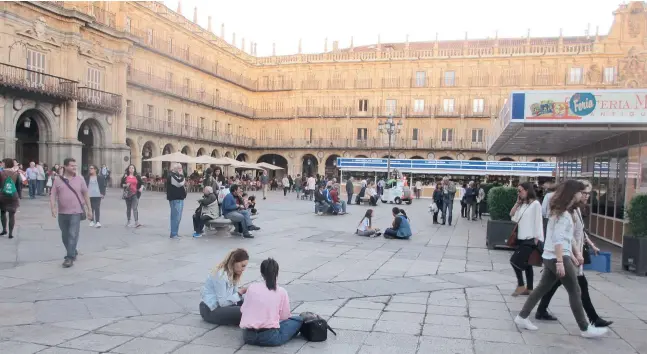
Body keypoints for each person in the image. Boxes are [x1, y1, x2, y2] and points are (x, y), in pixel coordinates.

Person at [514, 180, 608, 338]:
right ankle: (585, 328)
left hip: (551, 256)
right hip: (558, 257)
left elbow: (566, 238)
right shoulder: (563, 214)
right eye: (580, 192)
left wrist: (575, 254)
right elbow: (559, 239)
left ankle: (522, 316)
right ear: (573, 193)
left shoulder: (560, 211)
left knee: (541, 289)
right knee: (575, 290)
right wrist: (561, 261)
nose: (582, 195)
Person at [240, 258, 303, 347]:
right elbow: (285, 317)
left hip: (248, 337)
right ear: (276, 273)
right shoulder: (281, 291)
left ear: (261, 273)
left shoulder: (251, 287)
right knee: (298, 320)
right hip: (270, 337)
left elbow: (243, 310)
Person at [49, 158, 92, 268]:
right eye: (72, 166)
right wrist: (53, 207)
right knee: (65, 235)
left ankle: (69, 257)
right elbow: (53, 194)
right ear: (65, 167)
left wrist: (89, 209)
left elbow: (86, 194)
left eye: (75, 166)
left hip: (76, 212)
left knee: (73, 234)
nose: (74, 168)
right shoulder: (58, 180)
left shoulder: (80, 179)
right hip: (62, 212)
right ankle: (72, 250)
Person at [509, 182, 544, 296]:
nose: (519, 193)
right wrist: (517, 203)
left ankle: (520, 285)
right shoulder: (523, 205)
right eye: (517, 191)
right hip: (521, 238)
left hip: (530, 238)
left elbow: (538, 222)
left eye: (520, 190)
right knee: (527, 264)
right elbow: (512, 216)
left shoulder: (536, 204)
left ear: (527, 190)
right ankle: (529, 288)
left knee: (514, 261)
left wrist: (537, 239)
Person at [200, 248, 249, 325]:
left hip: (224, 306)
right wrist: (240, 293)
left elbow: (233, 296)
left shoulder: (233, 273)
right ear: (234, 262)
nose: (243, 269)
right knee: (245, 311)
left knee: (251, 305)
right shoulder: (220, 275)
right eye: (242, 266)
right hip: (211, 309)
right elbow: (222, 303)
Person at [0, 159, 20, 239]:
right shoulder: (16, 174)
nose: (2, 164)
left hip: (3, 195)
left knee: (3, 212)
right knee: (12, 214)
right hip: (13, 195)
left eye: (3, 163)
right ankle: (10, 233)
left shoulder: (1, 173)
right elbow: (18, 186)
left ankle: (4, 229)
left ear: (5, 164)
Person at [166, 163, 187, 239]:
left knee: (179, 217)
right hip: (175, 198)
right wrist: (182, 175)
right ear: (174, 169)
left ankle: (175, 232)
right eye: (179, 168)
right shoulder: (171, 175)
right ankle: (173, 233)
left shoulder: (177, 175)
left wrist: (181, 176)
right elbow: (179, 183)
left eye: (181, 168)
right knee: (175, 217)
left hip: (180, 198)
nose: (180, 169)